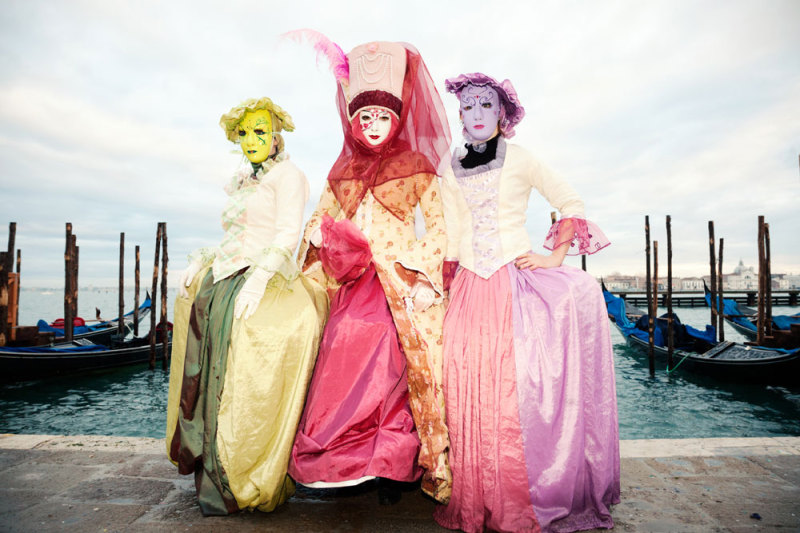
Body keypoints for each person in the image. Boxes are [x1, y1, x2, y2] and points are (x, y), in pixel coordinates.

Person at [434, 73, 620, 532]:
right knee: (464, 383)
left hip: (511, 280)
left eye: (486, 106)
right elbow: (450, 228)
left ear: (502, 113)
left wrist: (553, 256)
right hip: (467, 286)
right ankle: (480, 496)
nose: (476, 114)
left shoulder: (520, 158)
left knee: (513, 388)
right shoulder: (448, 163)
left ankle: (521, 494)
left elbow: (569, 200)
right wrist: (443, 274)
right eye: (469, 107)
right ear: (460, 114)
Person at [286, 37, 453, 504]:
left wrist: (420, 275)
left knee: (391, 345)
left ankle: (393, 463)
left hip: (403, 280)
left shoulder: (417, 166)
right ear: (354, 122)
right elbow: (319, 224)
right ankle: (349, 462)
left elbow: (439, 230)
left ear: (397, 120)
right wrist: (318, 236)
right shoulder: (340, 173)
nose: (375, 125)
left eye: (383, 117)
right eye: (366, 117)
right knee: (342, 339)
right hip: (355, 280)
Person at [164, 97, 327, 515]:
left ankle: (248, 474)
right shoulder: (241, 178)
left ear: (275, 136)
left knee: (251, 370)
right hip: (227, 277)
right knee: (207, 365)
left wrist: (258, 279)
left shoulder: (289, 175)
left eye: (260, 131)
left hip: (265, 276)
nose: (252, 139)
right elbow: (233, 235)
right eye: (245, 133)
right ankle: (213, 465)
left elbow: (288, 232)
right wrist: (203, 260)